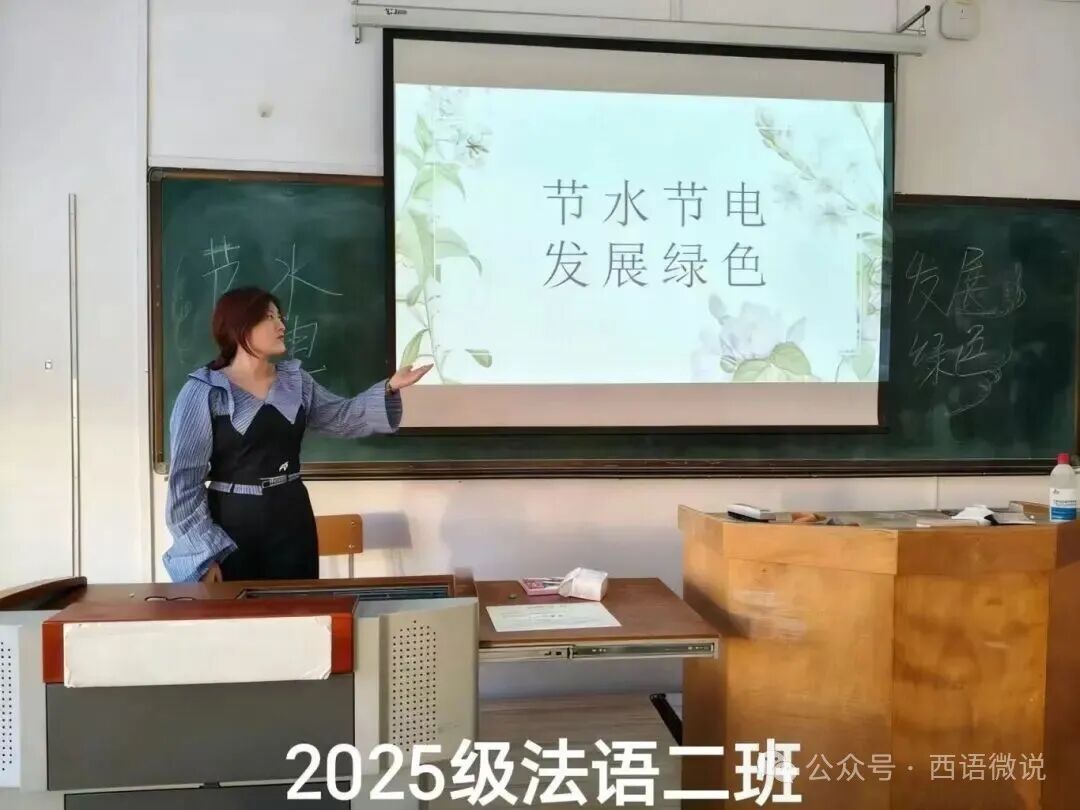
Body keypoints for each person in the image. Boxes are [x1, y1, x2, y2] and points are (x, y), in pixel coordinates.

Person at [162, 286, 430, 583]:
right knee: (237, 610)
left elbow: (342, 417)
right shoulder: (205, 391)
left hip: (292, 516)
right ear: (241, 326)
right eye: (269, 317)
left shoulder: (295, 382)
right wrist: (203, 556)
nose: (281, 325)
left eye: (280, 317)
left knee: (299, 606)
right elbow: (185, 483)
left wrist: (390, 387)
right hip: (231, 526)